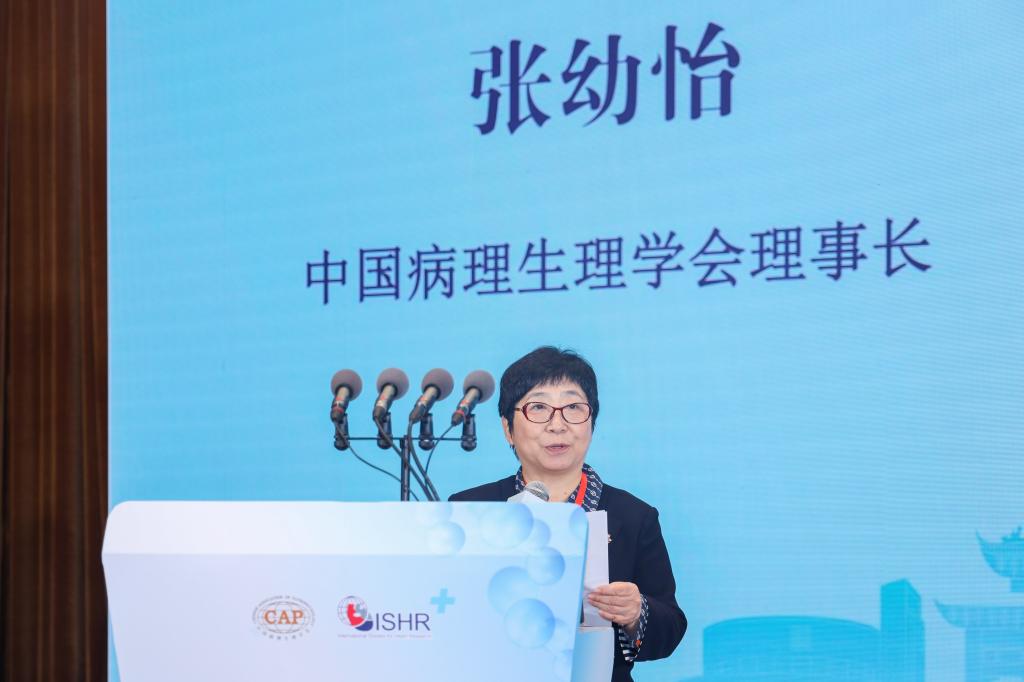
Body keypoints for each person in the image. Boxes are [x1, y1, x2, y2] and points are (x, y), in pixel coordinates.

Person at [450, 346, 686, 682]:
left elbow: (671, 628)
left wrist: (637, 613)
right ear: (508, 429)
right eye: (538, 408)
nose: (557, 425)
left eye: (573, 407)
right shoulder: (471, 508)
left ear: (592, 423)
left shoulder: (634, 516)